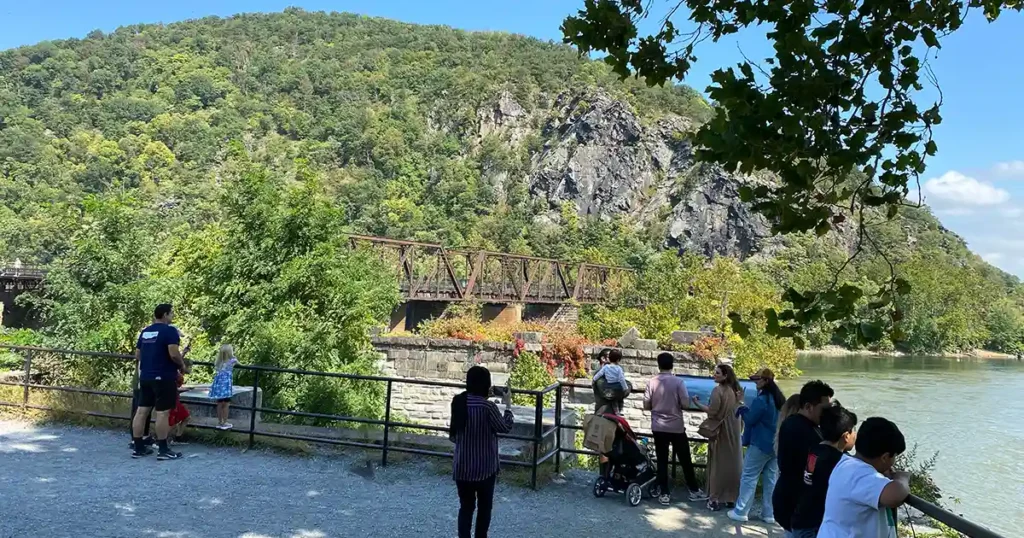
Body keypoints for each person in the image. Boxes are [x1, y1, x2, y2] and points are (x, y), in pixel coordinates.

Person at [817, 417, 910, 538]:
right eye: (894, 456)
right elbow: (895, 496)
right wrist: (902, 478)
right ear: (885, 457)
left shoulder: (847, 464)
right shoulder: (859, 473)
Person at [449, 366, 514, 538]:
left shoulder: (458, 403)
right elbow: (505, 427)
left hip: (462, 466)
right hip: (485, 468)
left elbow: (454, 437)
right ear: (486, 384)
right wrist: (508, 405)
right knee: (485, 508)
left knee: (466, 507)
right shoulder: (488, 407)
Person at [643, 352, 707, 505]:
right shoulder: (679, 382)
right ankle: (693, 490)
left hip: (658, 426)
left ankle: (664, 493)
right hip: (676, 426)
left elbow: (646, 405)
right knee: (685, 458)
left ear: (658, 365)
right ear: (672, 365)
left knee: (662, 460)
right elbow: (685, 404)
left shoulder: (652, 382)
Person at [772, 380, 834, 535]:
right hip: (796, 503)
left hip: (791, 500)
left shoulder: (798, 424)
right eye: (824, 409)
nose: (827, 414)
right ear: (808, 406)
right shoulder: (801, 429)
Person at [131, 303, 190, 460]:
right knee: (163, 413)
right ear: (165, 315)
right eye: (171, 314)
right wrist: (182, 365)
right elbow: (174, 353)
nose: (172, 317)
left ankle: (138, 448)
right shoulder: (169, 331)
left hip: (146, 376)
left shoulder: (146, 332)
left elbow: (138, 355)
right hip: (164, 377)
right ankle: (163, 449)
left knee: (142, 411)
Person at [790, 405, 859, 538]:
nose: (855, 435)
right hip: (814, 526)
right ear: (846, 436)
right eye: (853, 431)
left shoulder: (814, 449)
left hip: (801, 518)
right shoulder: (838, 461)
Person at [728, 368, 785, 524]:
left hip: (760, 444)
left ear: (766, 381)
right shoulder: (779, 400)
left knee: (749, 476)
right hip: (775, 444)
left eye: (757, 379)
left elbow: (751, 419)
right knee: (771, 479)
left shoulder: (762, 400)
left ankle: (740, 511)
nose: (755, 382)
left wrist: (740, 405)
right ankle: (769, 514)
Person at [692, 363, 743, 511]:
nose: (714, 375)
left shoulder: (717, 391)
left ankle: (714, 498)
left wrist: (696, 403)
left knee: (718, 464)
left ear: (725, 376)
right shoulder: (737, 391)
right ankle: (731, 497)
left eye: (718, 373)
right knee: (734, 463)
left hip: (721, 430)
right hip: (734, 429)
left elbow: (712, 412)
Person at [208, 344, 240, 430]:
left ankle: (219, 422)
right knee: (226, 404)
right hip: (226, 385)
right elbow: (239, 363)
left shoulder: (218, 362)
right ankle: (225, 422)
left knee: (219, 403)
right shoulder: (232, 361)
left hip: (218, 385)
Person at [168, 370, 191, 445]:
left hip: (174, 399)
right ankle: (163, 439)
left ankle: (177, 437)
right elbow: (177, 384)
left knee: (185, 417)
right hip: (173, 400)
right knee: (173, 421)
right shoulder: (176, 374)